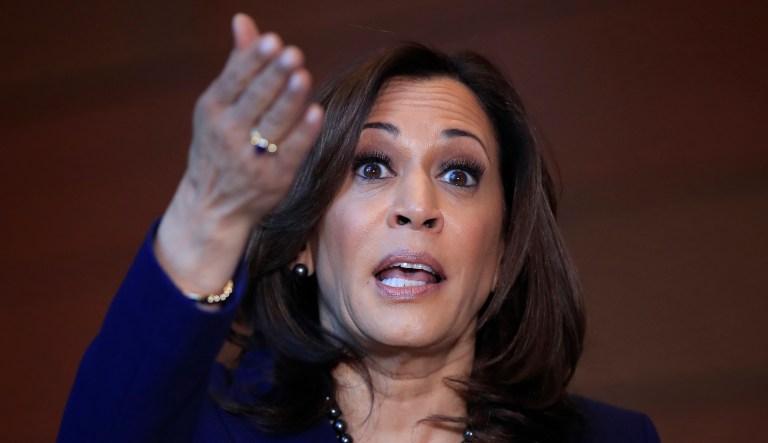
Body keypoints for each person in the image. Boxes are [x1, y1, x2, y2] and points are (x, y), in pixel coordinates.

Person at [58, 13, 660, 443]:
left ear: (504, 250)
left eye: (458, 173)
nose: (416, 205)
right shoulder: (198, 424)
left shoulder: (615, 437)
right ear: (305, 242)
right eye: (371, 166)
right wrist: (209, 209)